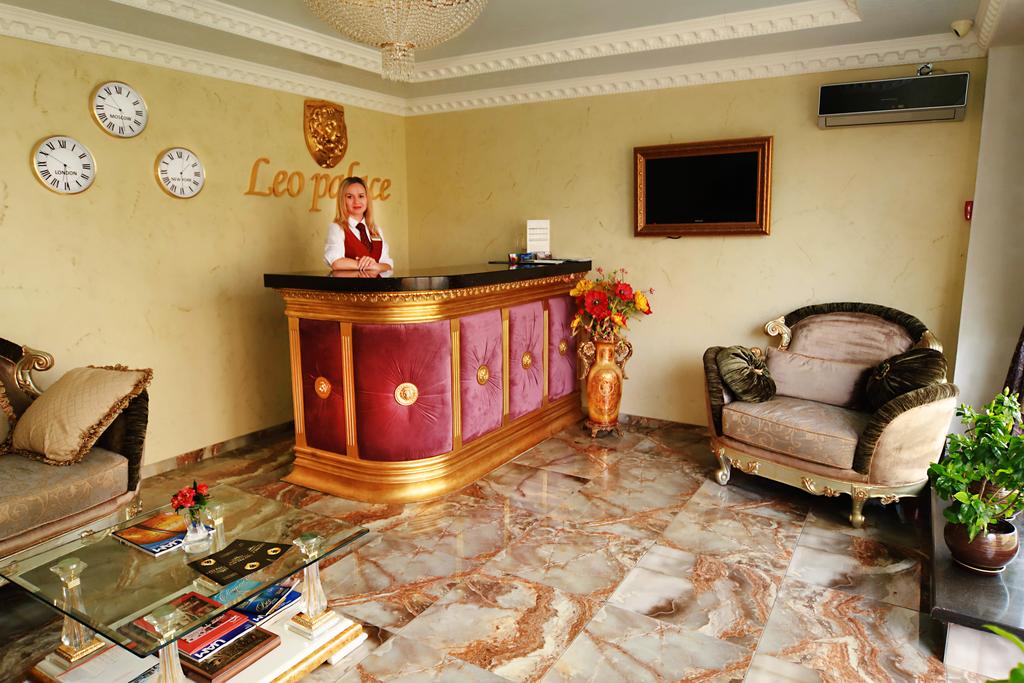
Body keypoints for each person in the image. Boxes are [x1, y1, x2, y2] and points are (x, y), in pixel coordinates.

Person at [323, 177, 394, 274]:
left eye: (361, 196)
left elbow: (388, 264)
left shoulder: (376, 230)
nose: (356, 201)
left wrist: (375, 266)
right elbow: (336, 262)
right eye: (350, 197)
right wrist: (368, 266)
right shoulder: (337, 228)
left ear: (367, 199)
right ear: (342, 200)